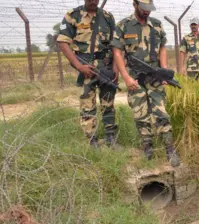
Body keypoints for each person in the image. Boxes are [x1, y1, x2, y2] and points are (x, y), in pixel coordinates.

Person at [110, 0, 180, 167]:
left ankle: (169, 149)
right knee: (140, 114)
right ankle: (147, 147)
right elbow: (117, 52)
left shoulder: (157, 25)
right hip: (135, 78)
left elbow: (163, 48)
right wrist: (126, 77)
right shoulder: (123, 25)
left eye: (149, 9)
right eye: (144, 8)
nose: (147, 12)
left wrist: (163, 70)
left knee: (161, 113)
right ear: (135, 5)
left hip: (155, 78)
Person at [56, 0, 119, 149]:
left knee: (108, 104)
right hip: (86, 68)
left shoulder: (107, 17)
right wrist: (79, 66)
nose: (93, 1)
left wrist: (116, 68)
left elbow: (115, 44)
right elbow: (63, 43)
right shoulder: (73, 16)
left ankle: (111, 138)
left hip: (106, 67)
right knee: (87, 106)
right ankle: (92, 141)